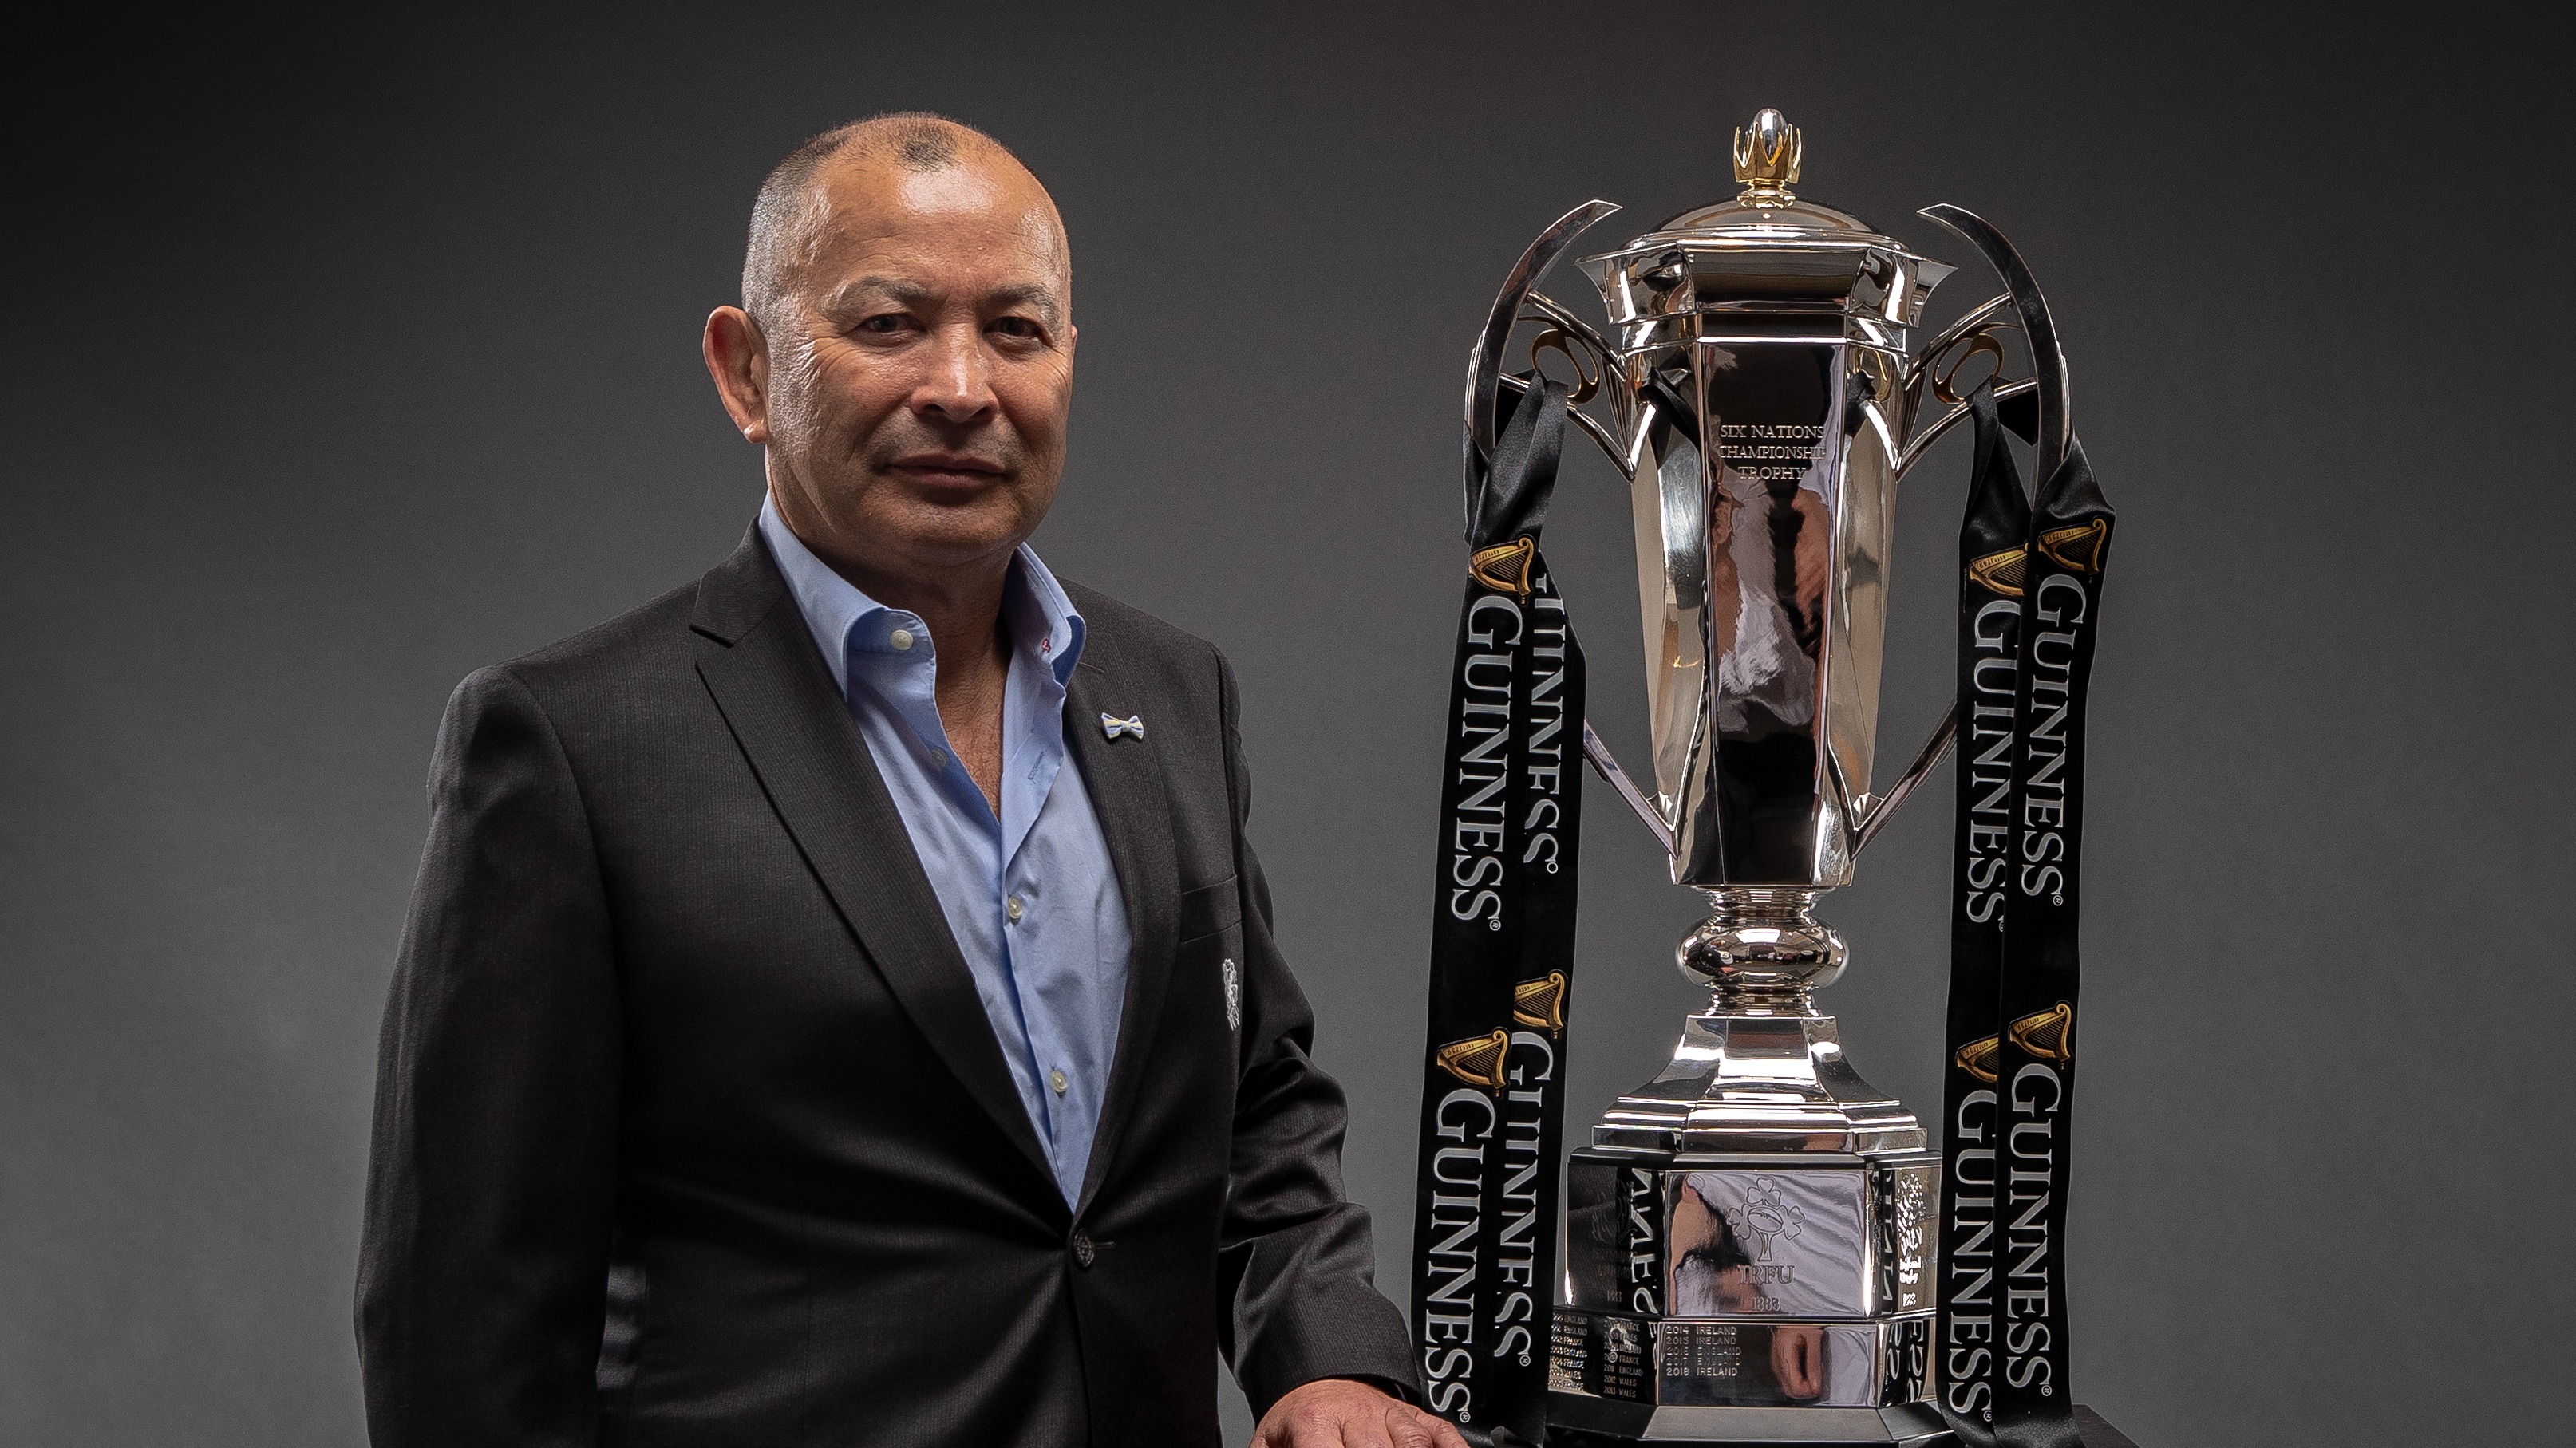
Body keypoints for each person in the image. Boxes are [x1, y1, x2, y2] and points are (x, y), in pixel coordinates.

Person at [356, 113, 1463, 1448]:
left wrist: (1324, 1357)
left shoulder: (1170, 694)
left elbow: (1251, 1102)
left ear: (1067, 362)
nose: (961, 385)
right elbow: (464, 1316)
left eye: (1016, 329)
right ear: (746, 370)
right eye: (888, 324)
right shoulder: (572, 747)